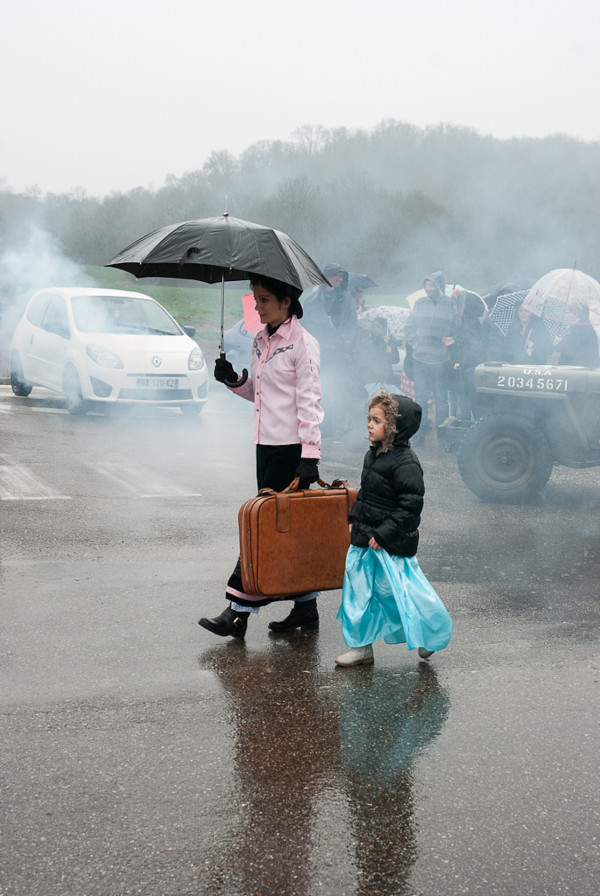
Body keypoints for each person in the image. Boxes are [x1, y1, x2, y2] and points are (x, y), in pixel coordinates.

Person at [199, 274, 324, 637]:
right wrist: (233, 380)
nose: (257, 305)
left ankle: (237, 613)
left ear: (287, 302)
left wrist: (310, 455)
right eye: (255, 298)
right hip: (264, 447)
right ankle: (306, 609)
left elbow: (310, 401)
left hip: (292, 451)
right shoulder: (260, 341)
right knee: (289, 531)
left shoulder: (304, 344)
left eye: (265, 299)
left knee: (263, 528)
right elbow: (261, 393)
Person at [335, 390, 452, 666]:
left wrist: (384, 533)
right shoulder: (373, 454)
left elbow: (410, 507)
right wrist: (354, 517)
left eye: (377, 420)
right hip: (365, 540)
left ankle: (428, 636)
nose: (369, 424)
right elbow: (365, 492)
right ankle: (360, 646)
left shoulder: (406, 464)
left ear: (395, 428)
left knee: (402, 592)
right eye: (369, 419)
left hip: (391, 545)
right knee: (357, 593)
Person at [302, 263, 364, 435]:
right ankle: (325, 427)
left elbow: (352, 327)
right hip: (320, 354)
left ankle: (351, 429)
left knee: (347, 389)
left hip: (342, 354)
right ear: (325, 277)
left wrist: (343, 345)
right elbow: (306, 328)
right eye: (336, 276)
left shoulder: (347, 299)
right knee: (322, 391)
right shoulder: (312, 301)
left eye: (342, 277)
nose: (339, 279)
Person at [403, 271, 455, 437]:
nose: (428, 288)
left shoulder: (450, 304)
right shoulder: (419, 303)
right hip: (420, 358)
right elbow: (409, 327)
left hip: (440, 360)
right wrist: (415, 343)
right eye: (426, 285)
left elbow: (456, 328)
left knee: (441, 399)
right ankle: (419, 432)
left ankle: (443, 433)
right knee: (421, 398)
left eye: (431, 285)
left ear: (439, 286)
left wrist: (451, 342)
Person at [552, 303, 600, 368]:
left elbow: (570, 349)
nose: (567, 315)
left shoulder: (579, 328)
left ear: (576, 314)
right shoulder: (585, 326)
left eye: (569, 312)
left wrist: (559, 343)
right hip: (586, 366)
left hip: (579, 367)